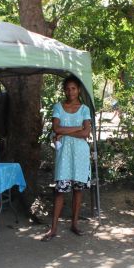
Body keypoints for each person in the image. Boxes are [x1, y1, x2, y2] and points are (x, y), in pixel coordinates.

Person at [41, 76, 92, 242]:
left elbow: (86, 133)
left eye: (73, 88)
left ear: (78, 90)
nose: (70, 92)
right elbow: (56, 128)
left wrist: (64, 132)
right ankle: (53, 228)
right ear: (64, 90)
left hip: (81, 156)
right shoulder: (58, 107)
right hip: (64, 156)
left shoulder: (84, 109)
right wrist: (77, 127)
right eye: (67, 89)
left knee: (78, 191)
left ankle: (75, 224)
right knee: (60, 192)